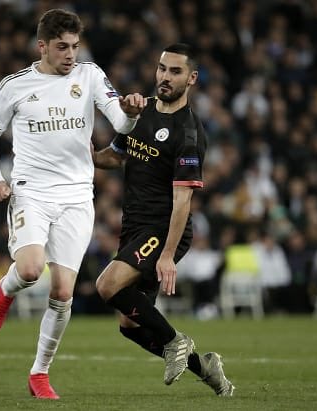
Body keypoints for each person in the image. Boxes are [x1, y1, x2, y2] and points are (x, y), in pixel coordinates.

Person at [0, 9, 145, 400]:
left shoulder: (90, 75)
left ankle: (39, 374)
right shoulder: (15, 85)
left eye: (74, 46)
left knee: (64, 292)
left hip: (77, 196)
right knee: (30, 269)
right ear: (42, 46)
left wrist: (132, 114)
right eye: (61, 47)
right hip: (31, 191)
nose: (70, 54)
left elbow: (121, 124)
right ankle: (5, 291)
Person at [92, 43, 234, 396]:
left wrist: (167, 255)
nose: (165, 77)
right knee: (130, 325)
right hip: (133, 227)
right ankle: (205, 368)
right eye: (161, 68)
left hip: (164, 228)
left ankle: (175, 341)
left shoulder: (189, 133)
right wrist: (81, 152)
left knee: (108, 286)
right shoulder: (141, 112)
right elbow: (115, 157)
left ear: (192, 78)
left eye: (175, 71)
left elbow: (183, 199)